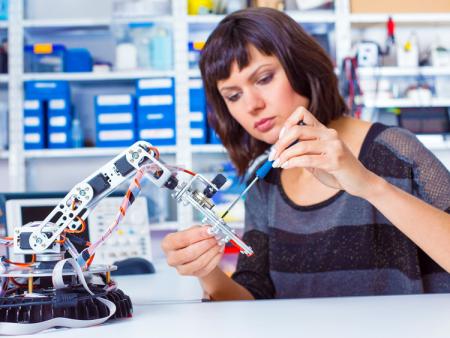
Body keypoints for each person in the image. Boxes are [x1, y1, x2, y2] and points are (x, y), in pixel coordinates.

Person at [161, 7, 450, 300]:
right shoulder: (265, 182)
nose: (252, 105)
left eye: (263, 79)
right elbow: (253, 297)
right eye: (233, 96)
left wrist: (369, 185)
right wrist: (206, 271)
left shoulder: (395, 150)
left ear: (302, 67)